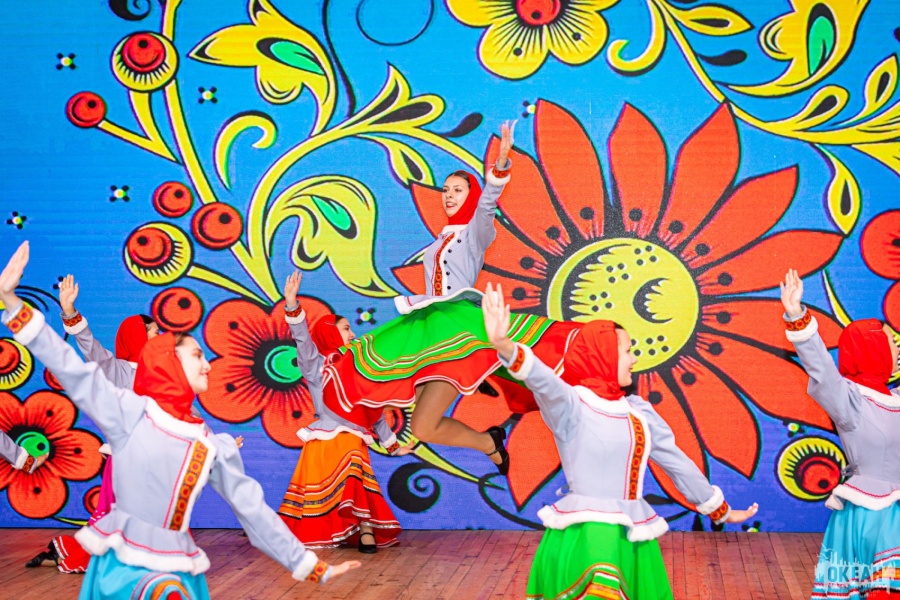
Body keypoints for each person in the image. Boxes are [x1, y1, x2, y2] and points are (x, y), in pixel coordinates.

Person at [0, 242, 359, 598]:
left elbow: (253, 512)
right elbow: (69, 366)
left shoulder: (207, 443)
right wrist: (12, 303)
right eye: (197, 355)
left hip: (178, 574)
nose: (208, 365)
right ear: (167, 364)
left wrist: (309, 565)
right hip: (122, 575)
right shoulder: (128, 415)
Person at [322, 122, 580, 475]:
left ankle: (481, 383)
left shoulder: (475, 233)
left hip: (456, 327)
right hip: (429, 328)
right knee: (422, 424)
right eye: (446, 190)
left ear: (469, 195)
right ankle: (489, 442)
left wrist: (500, 166)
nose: (449, 195)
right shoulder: (440, 239)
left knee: (421, 419)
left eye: (458, 190)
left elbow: (487, 205)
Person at [481, 283, 759, 599]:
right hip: (589, 536)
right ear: (603, 355)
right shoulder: (572, 404)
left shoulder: (638, 411)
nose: (634, 359)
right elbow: (542, 381)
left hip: (632, 536)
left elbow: (676, 462)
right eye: (627, 350)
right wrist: (506, 347)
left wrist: (719, 510)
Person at [26, 275, 160, 573]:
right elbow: (91, 348)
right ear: (137, 337)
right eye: (154, 332)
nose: (159, 337)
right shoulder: (118, 370)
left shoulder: (161, 374)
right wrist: (70, 312)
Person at [780, 269, 900, 599]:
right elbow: (821, 368)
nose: (898, 348)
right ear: (873, 349)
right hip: (870, 517)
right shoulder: (850, 401)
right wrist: (797, 316)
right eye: (892, 342)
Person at [278, 271, 410, 553]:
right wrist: (291, 304)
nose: (353, 334)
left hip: (352, 437)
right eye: (346, 329)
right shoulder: (316, 365)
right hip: (323, 440)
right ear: (329, 332)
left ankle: (366, 531)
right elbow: (302, 339)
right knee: (337, 485)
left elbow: (373, 411)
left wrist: (394, 446)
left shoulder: (362, 369)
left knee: (355, 476)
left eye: (351, 329)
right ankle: (351, 531)